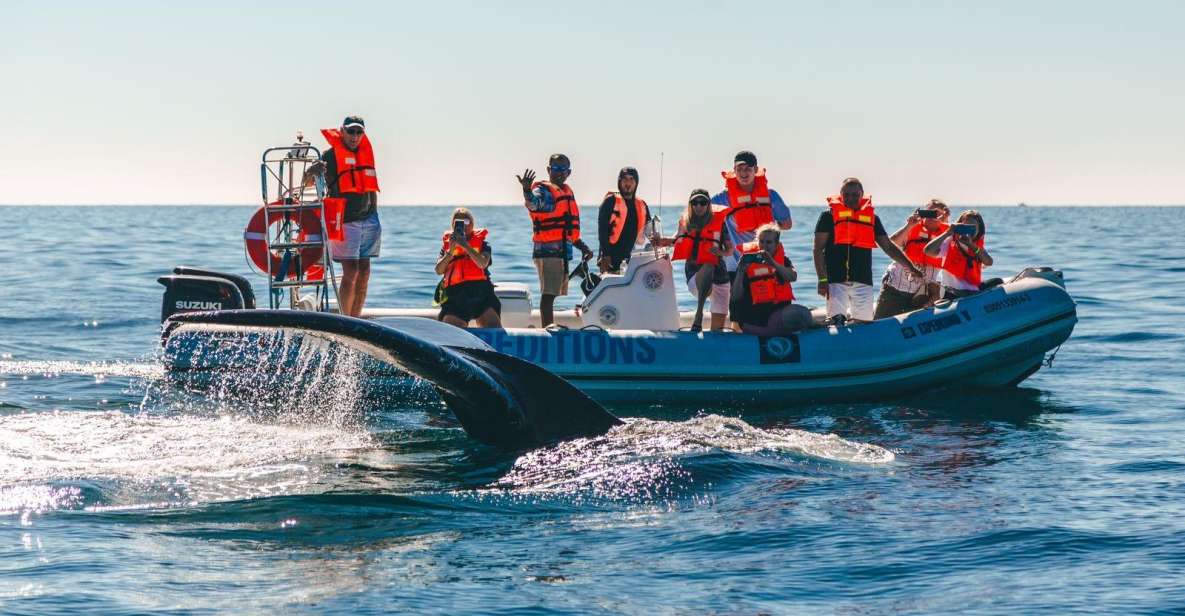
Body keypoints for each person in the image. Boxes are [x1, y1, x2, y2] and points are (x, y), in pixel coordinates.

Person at [812, 177, 922, 323]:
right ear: (841, 194)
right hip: (835, 280)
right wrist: (822, 279)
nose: (850, 198)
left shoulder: (872, 219)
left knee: (864, 323)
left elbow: (888, 246)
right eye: (847, 195)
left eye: (855, 195)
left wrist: (910, 267)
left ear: (862, 194)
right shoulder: (828, 217)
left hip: (863, 279)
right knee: (836, 321)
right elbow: (818, 249)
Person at [304, 115, 381, 317]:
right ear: (342, 131)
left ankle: (356, 319)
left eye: (359, 132)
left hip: (369, 219)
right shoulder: (329, 156)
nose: (355, 136)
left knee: (364, 273)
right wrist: (312, 171)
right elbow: (308, 182)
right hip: (345, 220)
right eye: (351, 131)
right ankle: (345, 319)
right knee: (351, 271)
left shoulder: (366, 154)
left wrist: (374, 214)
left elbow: (369, 186)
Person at [516, 154, 594, 327]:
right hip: (547, 252)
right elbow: (534, 204)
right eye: (556, 169)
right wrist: (527, 190)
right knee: (548, 294)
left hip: (560, 252)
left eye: (563, 170)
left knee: (553, 292)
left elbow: (567, 231)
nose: (559, 173)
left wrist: (583, 247)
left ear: (569, 172)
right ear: (548, 170)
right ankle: (547, 329)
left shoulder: (566, 192)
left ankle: (549, 326)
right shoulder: (543, 191)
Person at [651, 189, 733, 332]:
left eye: (703, 202)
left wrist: (720, 252)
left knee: (717, 331)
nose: (699, 206)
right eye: (695, 202)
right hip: (696, 277)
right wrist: (660, 242)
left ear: (708, 205)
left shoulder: (720, 223)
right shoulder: (685, 222)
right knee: (709, 265)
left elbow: (730, 250)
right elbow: (675, 240)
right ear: (690, 205)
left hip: (720, 278)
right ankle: (699, 313)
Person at [711, 151, 793, 277]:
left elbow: (787, 224)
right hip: (737, 265)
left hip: (769, 260)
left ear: (755, 169)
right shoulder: (724, 198)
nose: (743, 173)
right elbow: (698, 213)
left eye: (748, 169)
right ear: (734, 170)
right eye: (740, 169)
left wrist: (767, 225)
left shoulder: (771, 195)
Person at [873, 199, 951, 319]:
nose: (932, 216)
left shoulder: (947, 234)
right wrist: (909, 225)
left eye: (936, 213)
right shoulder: (912, 228)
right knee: (881, 323)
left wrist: (945, 223)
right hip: (895, 289)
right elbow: (890, 244)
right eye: (928, 212)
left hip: (921, 293)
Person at [730, 224, 813, 335]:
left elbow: (793, 277)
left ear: (776, 244)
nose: (764, 246)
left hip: (776, 316)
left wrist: (773, 263)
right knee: (800, 313)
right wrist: (740, 271)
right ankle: (814, 325)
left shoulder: (782, 261)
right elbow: (735, 296)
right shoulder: (748, 263)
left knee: (804, 312)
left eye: (768, 242)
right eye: (761, 241)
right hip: (755, 322)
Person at [434, 208, 502, 329]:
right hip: (456, 297)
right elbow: (439, 270)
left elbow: (482, 263)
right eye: (458, 221)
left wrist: (465, 245)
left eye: (467, 221)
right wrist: (452, 249)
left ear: (472, 223)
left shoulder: (483, 244)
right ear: (453, 225)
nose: (464, 225)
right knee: (452, 329)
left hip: (481, 295)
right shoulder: (447, 246)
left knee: (493, 326)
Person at [924, 209, 994, 299]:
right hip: (951, 291)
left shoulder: (977, 247)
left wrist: (971, 245)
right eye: (965, 226)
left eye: (972, 227)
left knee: (997, 282)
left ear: (979, 229)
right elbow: (928, 251)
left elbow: (989, 262)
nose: (968, 230)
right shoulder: (950, 242)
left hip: (972, 291)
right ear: (959, 225)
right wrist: (947, 233)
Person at [597, 166, 651, 274]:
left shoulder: (642, 205)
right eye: (625, 179)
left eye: (632, 179)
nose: (628, 183)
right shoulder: (610, 202)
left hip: (633, 261)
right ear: (619, 182)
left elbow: (649, 231)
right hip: (610, 260)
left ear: (636, 183)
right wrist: (605, 255)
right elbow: (602, 230)